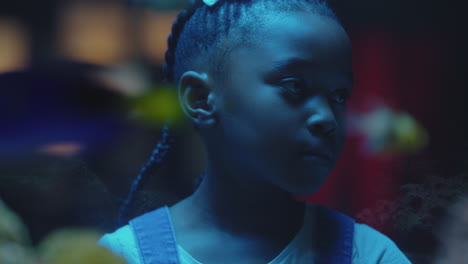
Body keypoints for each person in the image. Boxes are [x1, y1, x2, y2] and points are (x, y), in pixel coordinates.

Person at [99, 0, 412, 263]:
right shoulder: (122, 257)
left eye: (339, 96)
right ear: (201, 98)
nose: (326, 117)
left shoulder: (371, 256)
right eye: (295, 87)